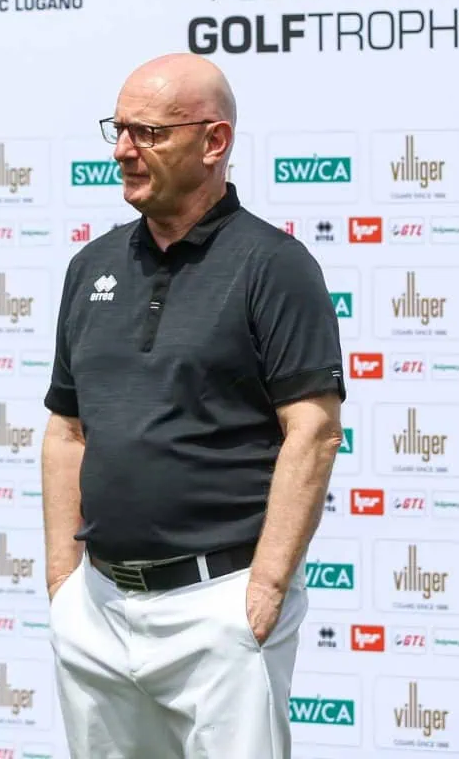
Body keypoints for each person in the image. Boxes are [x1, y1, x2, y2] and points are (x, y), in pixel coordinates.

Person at [42, 53, 346, 759]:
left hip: (221, 605)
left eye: (148, 133)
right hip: (98, 607)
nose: (123, 151)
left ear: (215, 142)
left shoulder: (274, 265)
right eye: (118, 129)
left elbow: (313, 431)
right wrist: (63, 582)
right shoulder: (91, 267)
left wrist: (265, 589)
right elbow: (66, 430)